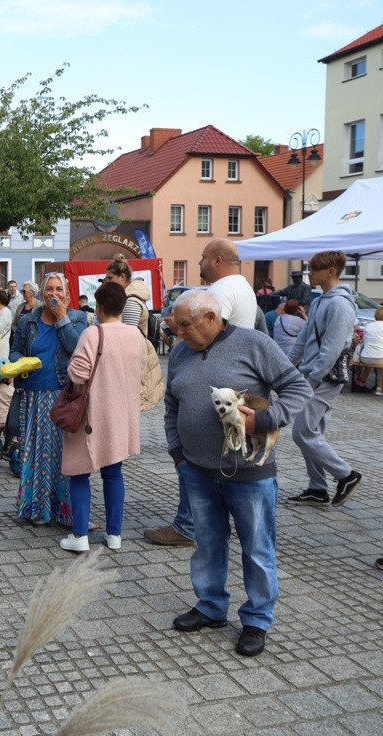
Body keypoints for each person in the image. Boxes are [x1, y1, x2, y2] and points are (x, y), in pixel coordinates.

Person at [165, 289, 310, 657]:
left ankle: (257, 619)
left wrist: (267, 419)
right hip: (196, 471)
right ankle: (211, 607)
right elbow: (171, 405)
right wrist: (178, 454)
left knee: (257, 549)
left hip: (249, 474)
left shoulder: (254, 344)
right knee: (207, 544)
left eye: (186, 325)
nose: (179, 332)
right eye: (177, 325)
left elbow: (298, 388)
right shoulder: (181, 352)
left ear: (211, 318)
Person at [144, 238, 259, 547]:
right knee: (215, 455)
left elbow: (206, 333)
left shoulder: (218, 292)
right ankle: (198, 521)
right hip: (229, 385)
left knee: (194, 452)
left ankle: (188, 525)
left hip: (209, 382)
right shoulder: (244, 287)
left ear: (218, 260)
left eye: (203, 257)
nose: (199, 263)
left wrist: (177, 330)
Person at [58, 281, 143, 553]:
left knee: (79, 472)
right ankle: (114, 534)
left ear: (99, 307)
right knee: (114, 473)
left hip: (91, 414)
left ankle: (80, 536)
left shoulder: (93, 333)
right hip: (121, 414)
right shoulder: (135, 334)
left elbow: (78, 374)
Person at [10, 272, 88, 526]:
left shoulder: (77, 318)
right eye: (49, 289)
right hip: (33, 394)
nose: (54, 293)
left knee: (63, 454)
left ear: (67, 294)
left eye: (59, 289)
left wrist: (61, 317)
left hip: (63, 396)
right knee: (37, 453)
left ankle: (64, 511)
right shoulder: (28, 320)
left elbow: (77, 349)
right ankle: (38, 509)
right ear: (42, 293)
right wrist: (20, 362)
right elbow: (15, 350)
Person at [286, 250, 362, 507]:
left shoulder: (340, 304)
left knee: (303, 432)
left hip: (325, 377)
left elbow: (332, 349)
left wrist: (313, 380)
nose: (310, 273)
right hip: (315, 374)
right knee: (314, 432)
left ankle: (347, 475)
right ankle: (317, 489)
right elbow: (303, 339)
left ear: (330, 271)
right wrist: (284, 368)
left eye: (314, 269)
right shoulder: (320, 301)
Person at [105, 254, 150, 332]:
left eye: (110, 278)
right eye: (106, 278)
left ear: (122, 277)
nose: (107, 281)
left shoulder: (131, 302)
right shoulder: (124, 298)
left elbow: (129, 335)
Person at [355, 307, 383, 395]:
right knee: (379, 363)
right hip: (379, 358)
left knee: (374, 359)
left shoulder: (369, 325)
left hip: (365, 357)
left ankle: (362, 383)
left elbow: (364, 340)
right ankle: (379, 387)